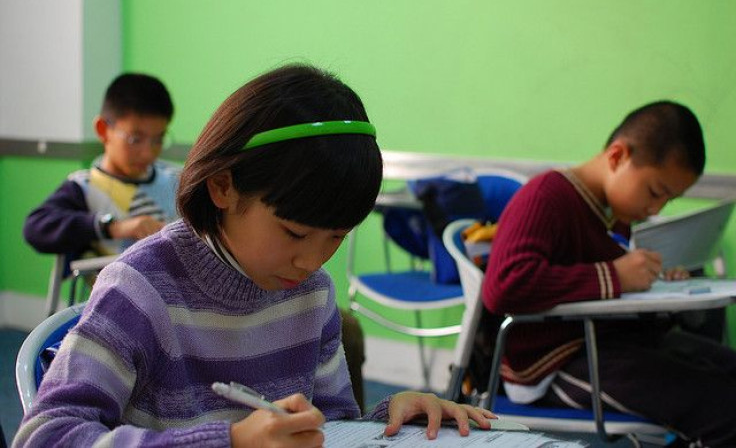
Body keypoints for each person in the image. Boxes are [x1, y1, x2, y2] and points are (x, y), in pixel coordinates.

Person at [14, 64, 495, 448]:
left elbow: (327, 427)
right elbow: (45, 435)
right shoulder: (141, 289)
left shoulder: (311, 294)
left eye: (336, 238)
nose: (312, 261)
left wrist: (387, 420)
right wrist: (229, 442)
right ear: (223, 186)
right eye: (294, 232)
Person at [482, 100, 736, 447]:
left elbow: (598, 286)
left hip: (610, 343)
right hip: (555, 363)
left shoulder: (614, 214)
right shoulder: (547, 195)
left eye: (668, 201)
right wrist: (613, 276)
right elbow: (504, 286)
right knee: (722, 409)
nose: (655, 209)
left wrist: (659, 287)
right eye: (655, 192)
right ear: (618, 156)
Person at [23, 73, 179, 259]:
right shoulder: (85, 187)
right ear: (103, 130)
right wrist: (115, 228)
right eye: (135, 139)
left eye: (158, 139)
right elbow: (35, 228)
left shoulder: (176, 180)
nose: (148, 152)